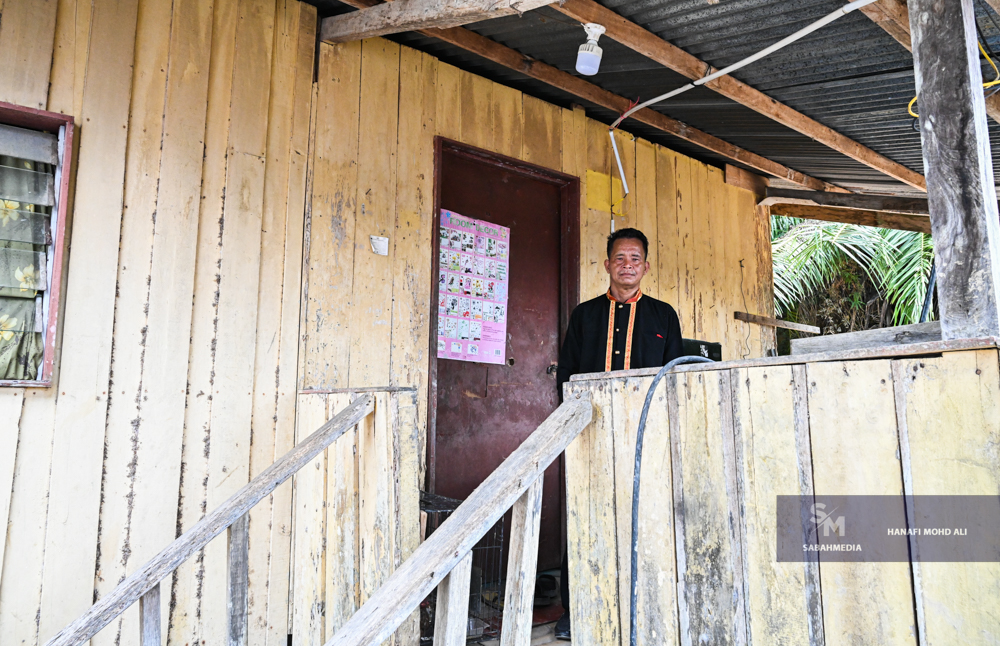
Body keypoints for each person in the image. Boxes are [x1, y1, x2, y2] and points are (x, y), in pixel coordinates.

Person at [552, 227, 683, 641]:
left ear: (646, 266)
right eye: (620, 258)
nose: (627, 265)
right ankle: (576, 609)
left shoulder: (664, 316)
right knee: (585, 515)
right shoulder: (585, 315)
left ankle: (645, 604)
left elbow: (675, 376)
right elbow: (567, 375)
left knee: (645, 515)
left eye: (635, 259)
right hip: (591, 434)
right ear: (607, 264)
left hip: (646, 435)